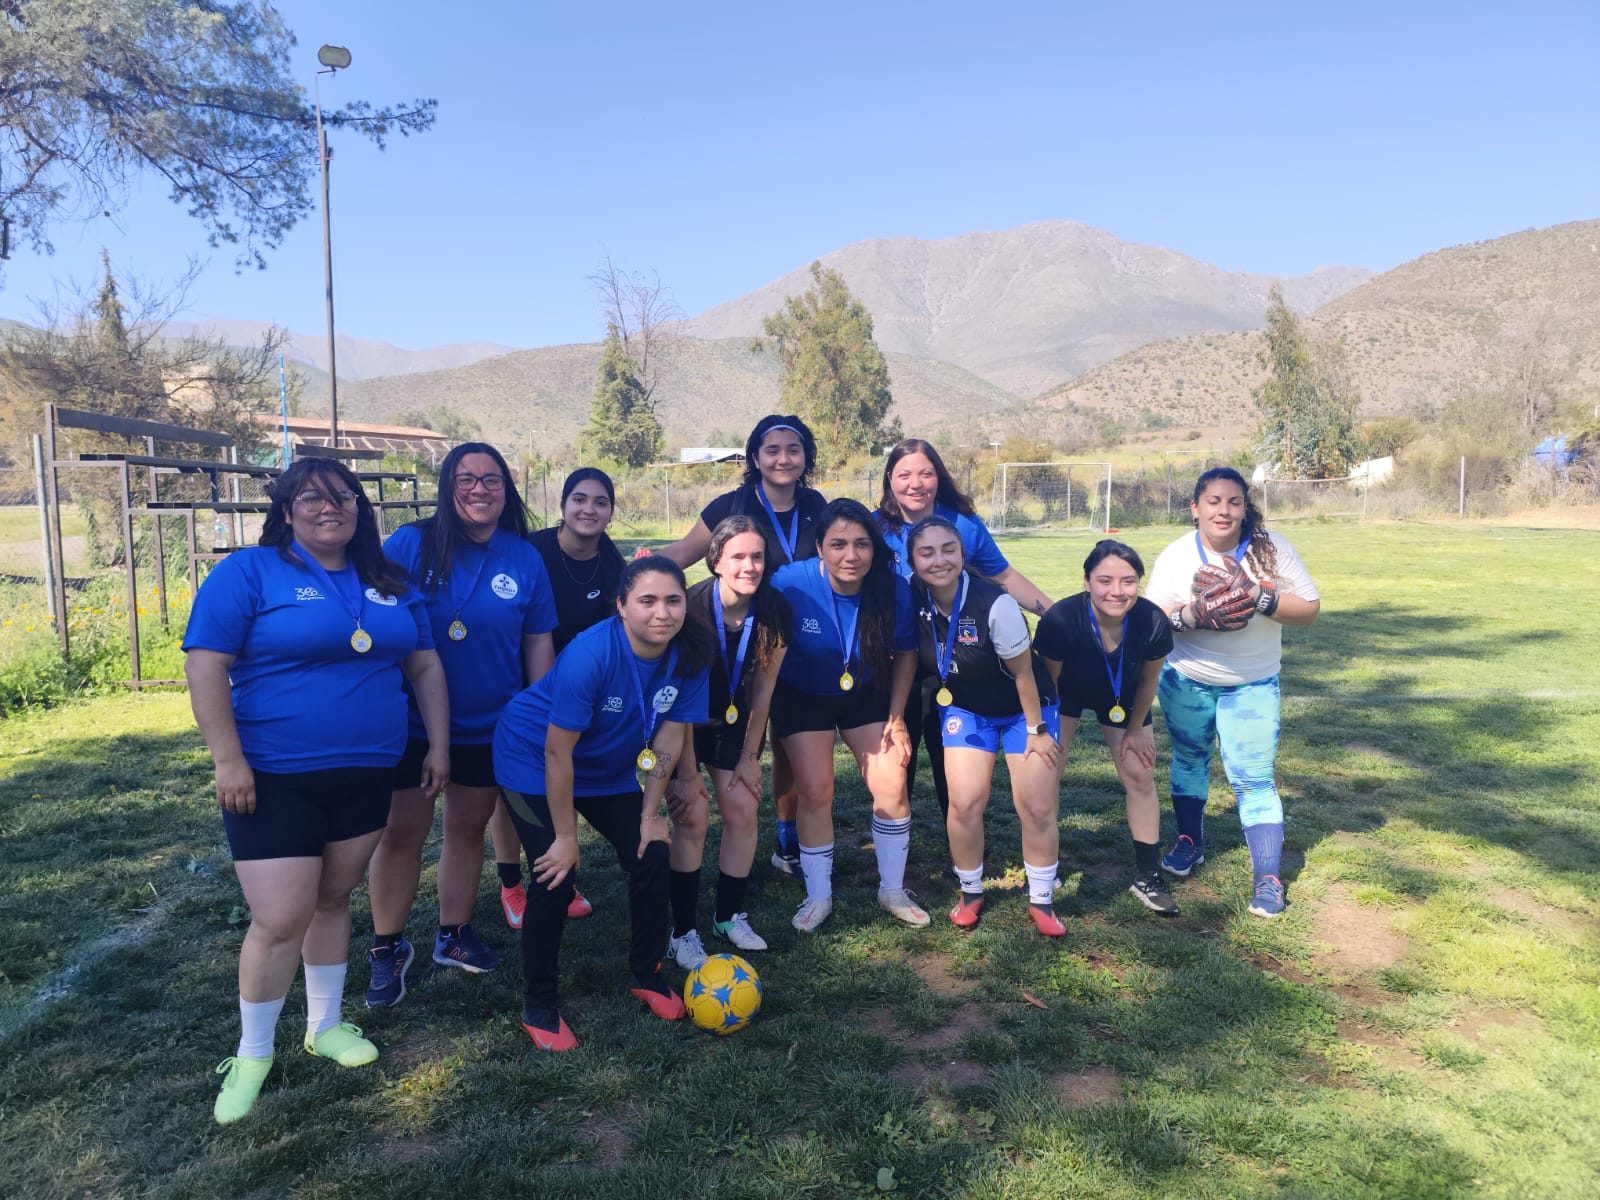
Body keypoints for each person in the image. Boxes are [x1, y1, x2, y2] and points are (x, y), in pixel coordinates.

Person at [184, 458, 449, 1125]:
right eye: (312, 497)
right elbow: (206, 665)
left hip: (368, 771)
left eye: (344, 497)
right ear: (286, 510)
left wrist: (440, 745)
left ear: (361, 508)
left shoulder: (387, 581)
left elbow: (423, 665)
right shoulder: (249, 572)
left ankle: (325, 1026)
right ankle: (251, 1055)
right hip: (274, 776)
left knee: (333, 899)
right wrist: (228, 760)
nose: (330, 508)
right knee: (280, 918)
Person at [364, 443, 558, 1007]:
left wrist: (538, 713)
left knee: (467, 829)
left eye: (492, 480)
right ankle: (387, 946)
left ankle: (453, 934)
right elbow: (377, 619)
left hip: (491, 725)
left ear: (507, 490)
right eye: (467, 478)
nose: (479, 489)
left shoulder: (523, 556)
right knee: (401, 833)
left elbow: (538, 643)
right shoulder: (410, 544)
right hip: (411, 724)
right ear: (448, 485)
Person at [492, 557, 714, 1051]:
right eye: (647, 601)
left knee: (651, 853)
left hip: (605, 768)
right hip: (531, 756)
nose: (662, 613)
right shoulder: (590, 653)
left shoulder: (692, 652)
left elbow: (672, 734)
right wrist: (566, 837)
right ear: (621, 606)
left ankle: (646, 973)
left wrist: (650, 816)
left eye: (673, 600)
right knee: (555, 873)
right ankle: (539, 1004)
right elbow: (557, 752)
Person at [648, 415, 827, 878]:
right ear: (755, 457)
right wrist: (638, 570)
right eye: (773, 450)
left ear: (805, 456)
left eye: (793, 449)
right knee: (756, 728)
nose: (783, 458)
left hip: (798, 642)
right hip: (746, 647)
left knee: (790, 744)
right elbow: (684, 554)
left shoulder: (815, 506)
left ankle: (787, 839)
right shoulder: (731, 504)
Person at [1144, 467, 1321, 918]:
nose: (1223, 510)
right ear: (1195, 508)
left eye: (1234, 502)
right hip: (1187, 679)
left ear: (1245, 508)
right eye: (1214, 501)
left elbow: (1309, 610)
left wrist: (1262, 597)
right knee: (1189, 760)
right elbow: (1151, 621)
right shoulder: (1177, 555)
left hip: (1252, 683)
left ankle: (1268, 878)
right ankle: (1190, 840)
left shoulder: (1271, 549)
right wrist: (1191, 615)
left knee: (1254, 778)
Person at [875, 438, 1053, 819]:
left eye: (926, 473)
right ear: (890, 479)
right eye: (904, 475)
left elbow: (1003, 575)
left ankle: (958, 834)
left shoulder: (963, 525)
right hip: (895, 659)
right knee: (896, 756)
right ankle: (896, 834)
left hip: (948, 660)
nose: (916, 483)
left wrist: (1053, 613)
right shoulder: (875, 528)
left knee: (951, 760)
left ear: (939, 476)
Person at [905, 517, 1067, 934]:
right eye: (926, 552)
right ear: (913, 560)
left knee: (1036, 806)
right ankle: (971, 893)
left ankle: (1042, 901)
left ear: (962, 554)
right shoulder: (910, 594)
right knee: (963, 804)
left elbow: (1024, 674)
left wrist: (1037, 731)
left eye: (948, 550)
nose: (939, 560)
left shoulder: (995, 602)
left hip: (1025, 710)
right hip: (967, 708)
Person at [770, 498, 922, 932]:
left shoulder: (892, 588)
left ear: (874, 547)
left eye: (861, 544)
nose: (851, 555)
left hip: (865, 694)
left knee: (892, 783)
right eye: (838, 544)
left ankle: (892, 889)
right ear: (820, 547)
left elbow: (907, 653)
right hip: (803, 696)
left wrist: (897, 717)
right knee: (816, 789)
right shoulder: (789, 583)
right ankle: (818, 896)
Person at [664, 517, 792, 967]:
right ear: (716, 561)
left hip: (731, 722)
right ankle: (682, 932)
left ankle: (727, 916)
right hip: (679, 723)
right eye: (738, 556)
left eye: (757, 556)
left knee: (742, 808)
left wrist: (751, 756)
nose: (749, 566)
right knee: (693, 815)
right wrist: (686, 772)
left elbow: (764, 688)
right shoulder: (691, 608)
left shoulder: (775, 609)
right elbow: (678, 696)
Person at [1034, 540, 1180, 918]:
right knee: (1045, 774)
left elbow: (1148, 681)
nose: (1117, 591)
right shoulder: (1061, 619)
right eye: (1105, 581)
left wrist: (1136, 729)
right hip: (1062, 696)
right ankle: (1045, 867)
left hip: (1122, 697)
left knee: (1140, 773)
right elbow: (1048, 684)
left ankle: (1147, 877)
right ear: (1086, 582)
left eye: (1128, 581)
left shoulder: (1152, 621)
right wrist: (1045, 733)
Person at [517, 467, 628, 924]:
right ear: (563, 505)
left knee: (563, 774)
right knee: (518, 782)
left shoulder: (614, 566)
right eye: (579, 499)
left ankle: (562, 866)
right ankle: (510, 882)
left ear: (610, 511)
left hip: (580, 689)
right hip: (524, 681)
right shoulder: (532, 551)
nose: (589, 509)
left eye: (600, 502)